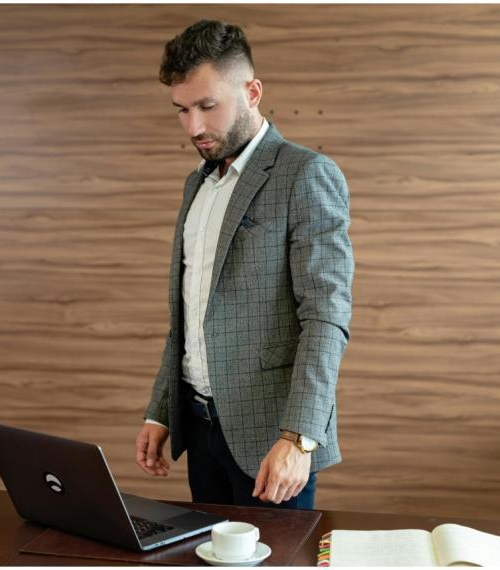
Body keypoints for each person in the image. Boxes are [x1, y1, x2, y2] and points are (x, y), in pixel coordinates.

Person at [135, 19, 353, 510]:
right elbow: (191, 314)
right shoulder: (197, 183)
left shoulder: (305, 175)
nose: (194, 127)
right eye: (182, 110)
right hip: (198, 425)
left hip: (272, 439)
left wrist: (300, 439)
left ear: (252, 91)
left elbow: (326, 316)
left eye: (208, 106)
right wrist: (161, 410)